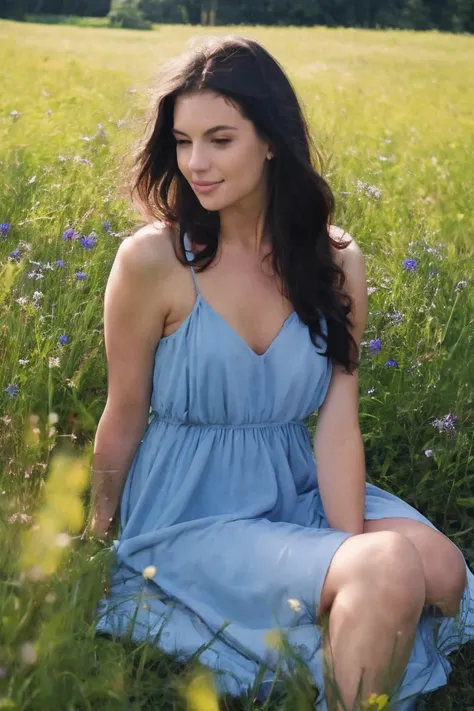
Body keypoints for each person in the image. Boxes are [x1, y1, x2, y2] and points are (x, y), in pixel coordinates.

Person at [89, 34, 474, 711]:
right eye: (182, 142)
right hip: (192, 508)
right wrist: (96, 544)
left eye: (220, 139)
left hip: (293, 481)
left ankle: (341, 624)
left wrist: (342, 544)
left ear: (271, 141)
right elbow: (124, 412)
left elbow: (337, 418)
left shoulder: (334, 260)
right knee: (386, 570)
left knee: (441, 571)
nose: (197, 164)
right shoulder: (155, 260)